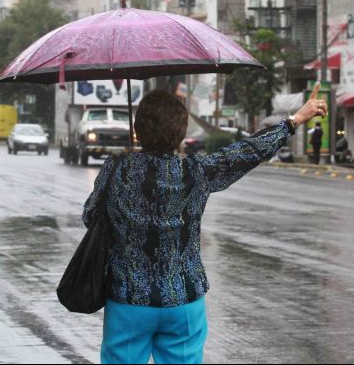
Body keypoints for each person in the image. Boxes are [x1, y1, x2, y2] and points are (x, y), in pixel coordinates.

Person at [83, 84, 327, 364]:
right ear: (181, 133)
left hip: (128, 298)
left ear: (137, 130)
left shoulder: (116, 168)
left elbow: (91, 216)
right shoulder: (196, 171)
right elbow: (247, 152)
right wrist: (294, 120)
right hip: (184, 299)